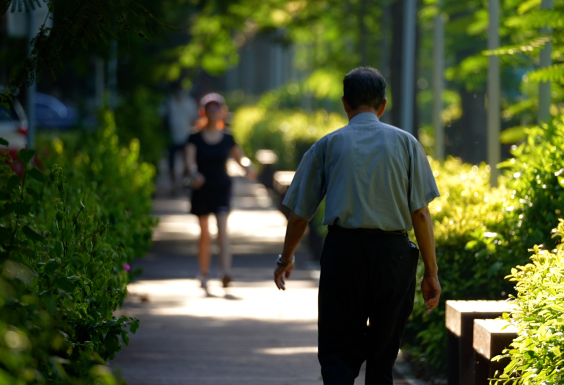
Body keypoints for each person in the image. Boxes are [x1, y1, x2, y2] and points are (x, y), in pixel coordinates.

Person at [273, 67, 442, 384]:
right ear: (383, 105)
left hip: (344, 253)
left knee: (338, 354)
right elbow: (421, 213)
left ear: (344, 103)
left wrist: (286, 259)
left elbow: (300, 215)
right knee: (383, 358)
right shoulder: (407, 144)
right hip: (393, 257)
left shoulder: (327, 145)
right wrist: (431, 272)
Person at [184, 93, 256, 295]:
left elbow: (240, 158)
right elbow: (189, 162)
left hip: (222, 187)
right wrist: (193, 173)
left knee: (222, 230)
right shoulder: (194, 138)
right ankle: (204, 273)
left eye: (217, 108)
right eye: (210, 107)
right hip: (202, 189)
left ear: (222, 112)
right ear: (203, 111)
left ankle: (226, 271)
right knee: (204, 233)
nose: (214, 111)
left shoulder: (228, 137)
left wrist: (248, 167)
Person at [162, 83, 198, 195]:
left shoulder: (190, 103)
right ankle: (174, 186)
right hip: (172, 138)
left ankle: (184, 182)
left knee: (187, 162)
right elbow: (162, 118)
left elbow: (194, 120)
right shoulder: (168, 102)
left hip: (187, 137)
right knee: (171, 164)